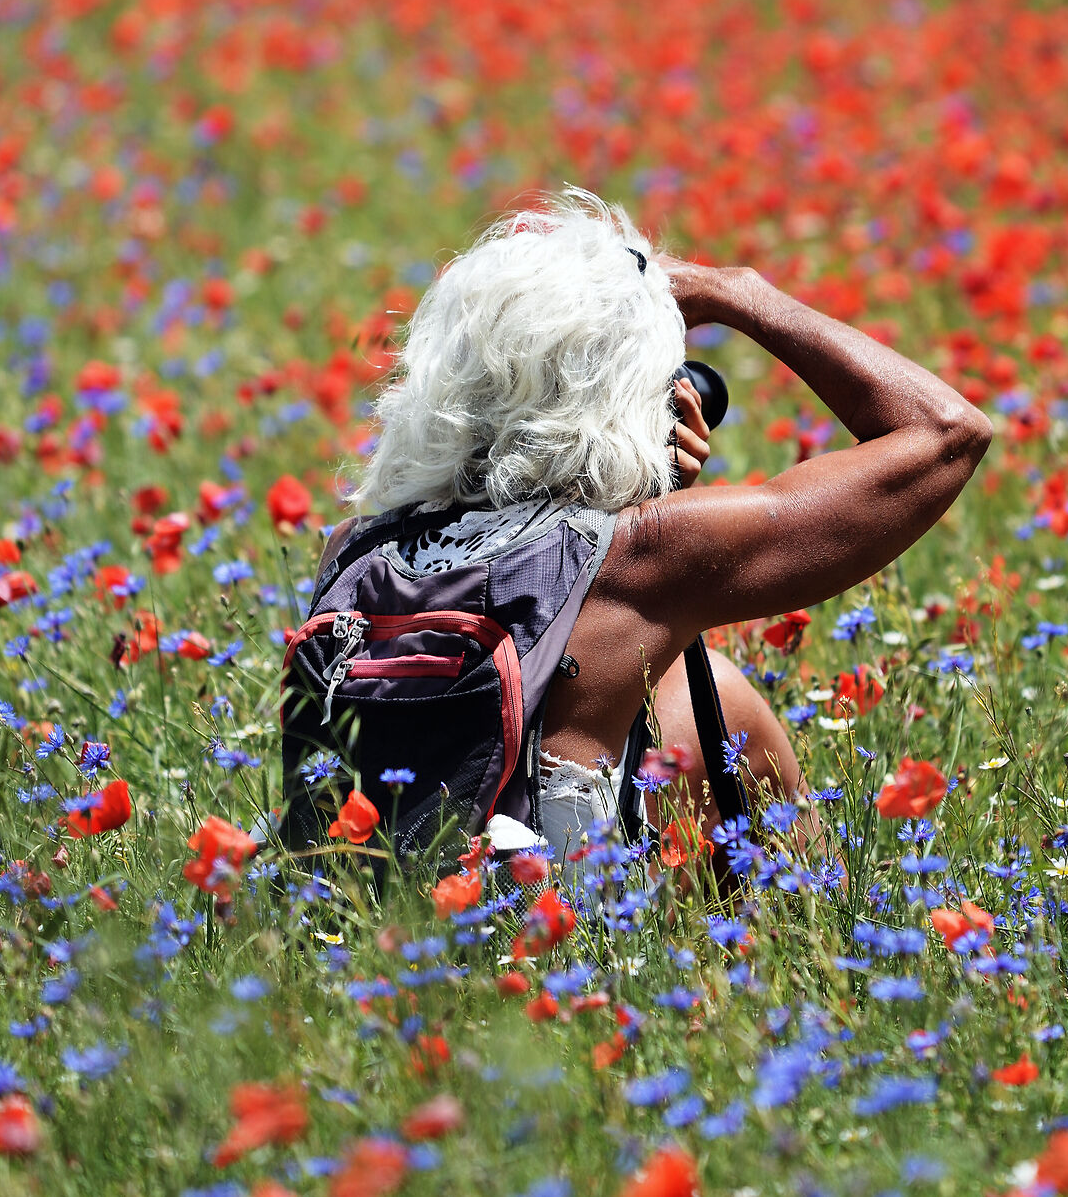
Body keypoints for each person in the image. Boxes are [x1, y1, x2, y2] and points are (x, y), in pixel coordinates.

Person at [338, 189, 992, 859]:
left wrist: (643, 485)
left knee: (679, 690)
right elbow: (947, 432)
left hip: (364, 930)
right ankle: (803, 941)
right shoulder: (641, 556)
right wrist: (735, 291)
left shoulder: (358, 555)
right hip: (542, 951)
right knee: (725, 706)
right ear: (625, 396)